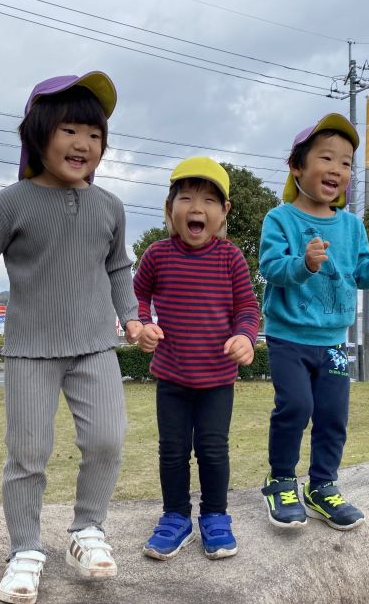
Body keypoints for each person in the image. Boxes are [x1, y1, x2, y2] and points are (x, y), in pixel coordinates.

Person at [0, 71, 143, 604]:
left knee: (107, 439)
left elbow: (118, 269)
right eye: (70, 130)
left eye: (95, 134)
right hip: (30, 349)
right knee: (28, 453)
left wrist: (130, 318)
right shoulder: (10, 203)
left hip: (94, 347)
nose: (84, 144)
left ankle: (87, 532)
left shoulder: (110, 206)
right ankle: (24, 549)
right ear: (38, 134)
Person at [259, 113, 369, 532]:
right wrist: (303, 264)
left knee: (332, 413)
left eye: (346, 163)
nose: (338, 170)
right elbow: (269, 267)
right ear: (296, 166)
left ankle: (323, 485)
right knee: (297, 406)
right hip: (288, 336)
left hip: (334, 343)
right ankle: (282, 480)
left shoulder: (352, 225)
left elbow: (361, 273)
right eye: (327, 158)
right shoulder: (281, 219)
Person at [133, 157, 260, 561]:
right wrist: (140, 325)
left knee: (213, 449)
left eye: (208, 200)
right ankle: (175, 517)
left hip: (217, 380)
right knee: (171, 450)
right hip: (171, 375)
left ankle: (215, 516)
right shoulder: (156, 255)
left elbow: (247, 308)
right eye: (185, 197)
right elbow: (135, 297)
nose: (196, 207)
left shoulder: (231, 259)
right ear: (171, 208)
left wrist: (245, 335)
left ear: (224, 212)